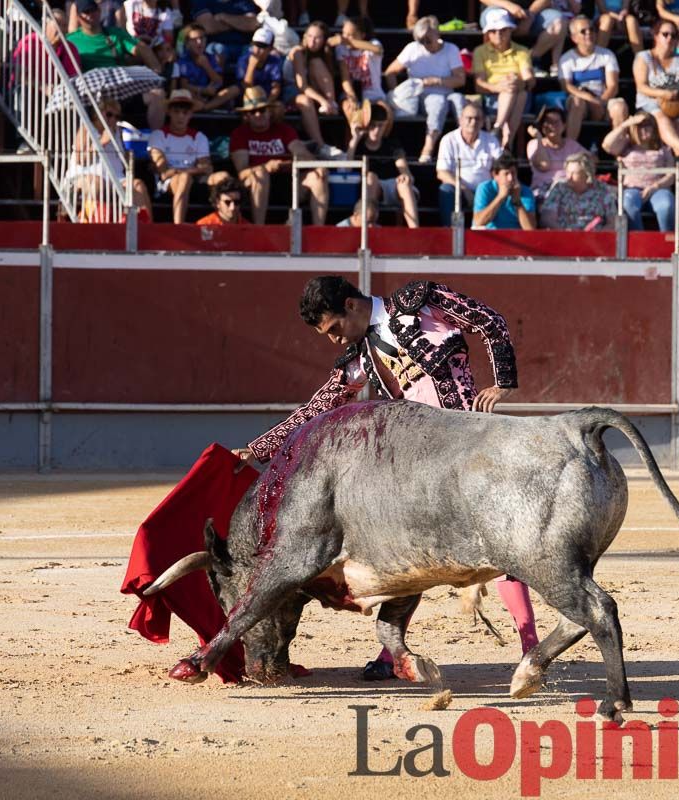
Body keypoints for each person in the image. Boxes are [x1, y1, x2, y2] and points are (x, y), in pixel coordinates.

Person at [234, 275, 535, 682]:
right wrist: (260, 449)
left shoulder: (419, 302)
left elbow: (489, 320)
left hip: (470, 445)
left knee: (501, 545)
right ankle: (391, 652)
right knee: (406, 550)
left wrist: (503, 382)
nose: (334, 341)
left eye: (334, 329)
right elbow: (319, 407)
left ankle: (532, 652)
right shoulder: (361, 357)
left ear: (352, 305)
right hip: (418, 464)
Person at [229, 87, 327, 225]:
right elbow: (242, 173)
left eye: (262, 110)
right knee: (260, 175)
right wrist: (266, 167)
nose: (258, 114)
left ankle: (319, 231)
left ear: (269, 112)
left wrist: (287, 164)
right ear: (246, 116)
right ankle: (259, 230)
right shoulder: (239, 134)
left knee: (319, 173)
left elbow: (306, 157)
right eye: (252, 112)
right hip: (255, 186)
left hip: (287, 183)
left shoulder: (284, 130)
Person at [67, 0, 167, 129]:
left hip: (121, 89)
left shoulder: (114, 34)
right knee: (104, 107)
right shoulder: (70, 40)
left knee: (157, 95)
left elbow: (141, 48)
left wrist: (155, 70)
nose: (91, 15)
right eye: (86, 12)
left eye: (93, 10)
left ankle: (156, 142)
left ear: (99, 11)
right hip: (92, 94)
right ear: (79, 16)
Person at [382, 16, 466, 163]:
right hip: (422, 96)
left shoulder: (451, 49)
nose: (425, 44)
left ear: (437, 34)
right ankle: (428, 147)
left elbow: (460, 80)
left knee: (460, 102)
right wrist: (398, 95)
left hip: (447, 93)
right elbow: (390, 72)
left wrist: (437, 81)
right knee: (438, 102)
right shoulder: (413, 49)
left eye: (428, 40)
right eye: (421, 41)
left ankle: (465, 147)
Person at [149, 90, 230, 223]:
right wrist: (188, 171)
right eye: (176, 111)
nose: (181, 116)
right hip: (167, 185)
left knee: (224, 177)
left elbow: (207, 168)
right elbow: (163, 172)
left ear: (191, 114)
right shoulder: (158, 135)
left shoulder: (199, 136)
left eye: (185, 112)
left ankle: (226, 223)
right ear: (169, 112)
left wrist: (177, 170)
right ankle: (179, 227)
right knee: (184, 178)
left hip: (195, 178)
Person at [69, 97, 154, 221]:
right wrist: (102, 142)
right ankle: (93, 221)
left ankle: (146, 226)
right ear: (97, 113)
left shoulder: (117, 132)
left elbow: (122, 162)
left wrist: (125, 155)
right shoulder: (87, 128)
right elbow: (80, 159)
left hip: (115, 178)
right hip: (86, 174)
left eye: (117, 116)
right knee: (97, 183)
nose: (113, 119)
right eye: (109, 115)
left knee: (138, 185)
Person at [347, 101, 420, 228]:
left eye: (380, 126)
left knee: (404, 185)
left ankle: (415, 231)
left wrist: (405, 177)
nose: (376, 130)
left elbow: (404, 169)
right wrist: (355, 139)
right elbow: (346, 169)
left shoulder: (392, 144)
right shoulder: (358, 146)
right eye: (373, 125)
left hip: (393, 186)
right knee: (371, 177)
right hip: (372, 188)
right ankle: (369, 227)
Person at [633, 21, 679, 160]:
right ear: (656, 36)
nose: (669, 38)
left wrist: (677, 91)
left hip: (676, 105)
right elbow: (642, 86)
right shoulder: (644, 57)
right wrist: (663, 93)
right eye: (665, 34)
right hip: (650, 103)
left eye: (673, 36)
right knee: (661, 118)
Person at [472, 8, 535, 149]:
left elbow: (529, 79)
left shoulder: (522, 51)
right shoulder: (480, 51)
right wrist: (499, 87)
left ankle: (498, 128)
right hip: (492, 97)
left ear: (510, 30)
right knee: (517, 92)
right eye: (494, 31)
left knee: (516, 88)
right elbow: (479, 84)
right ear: (488, 33)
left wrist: (518, 82)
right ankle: (507, 140)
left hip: (515, 92)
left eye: (503, 30)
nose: (498, 34)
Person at [602, 112, 676, 232]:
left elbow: (672, 175)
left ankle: (666, 243)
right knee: (628, 204)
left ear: (654, 128)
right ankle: (638, 242)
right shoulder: (625, 146)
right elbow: (607, 145)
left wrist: (654, 186)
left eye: (648, 125)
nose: (644, 129)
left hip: (658, 189)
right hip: (631, 189)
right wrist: (625, 124)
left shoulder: (664, 149)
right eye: (640, 126)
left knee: (666, 206)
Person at [436, 104, 504, 226]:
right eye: (469, 118)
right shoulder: (448, 140)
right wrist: (464, 189)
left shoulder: (491, 140)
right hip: (458, 189)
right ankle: (449, 233)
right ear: (460, 120)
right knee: (446, 189)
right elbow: (442, 172)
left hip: (485, 188)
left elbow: (502, 166)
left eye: (477, 119)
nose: (473, 122)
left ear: (483, 122)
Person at [558, 16, 622, 142]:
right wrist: (589, 99)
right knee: (577, 103)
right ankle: (570, 147)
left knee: (620, 106)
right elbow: (566, 86)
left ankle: (619, 153)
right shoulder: (566, 59)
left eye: (591, 30)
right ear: (574, 38)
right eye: (583, 31)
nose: (589, 33)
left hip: (603, 99)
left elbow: (613, 86)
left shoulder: (607, 55)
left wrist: (600, 102)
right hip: (581, 100)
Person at [287, 22, 344, 157]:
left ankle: (332, 102)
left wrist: (328, 100)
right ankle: (320, 145)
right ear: (305, 36)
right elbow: (302, 86)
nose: (312, 41)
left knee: (316, 63)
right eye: (310, 36)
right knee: (306, 101)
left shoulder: (320, 57)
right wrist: (322, 101)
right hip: (291, 91)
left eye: (317, 38)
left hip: (312, 91)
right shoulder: (298, 52)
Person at [481, 0, 579, 74]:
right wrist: (510, 6)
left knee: (559, 21)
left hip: (533, 13)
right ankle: (498, 63)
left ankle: (529, 60)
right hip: (501, 9)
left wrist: (530, 16)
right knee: (496, 17)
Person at [333, 16, 386, 138]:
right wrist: (352, 97)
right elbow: (344, 76)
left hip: (374, 94)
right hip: (353, 92)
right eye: (344, 33)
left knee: (385, 113)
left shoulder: (373, 44)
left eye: (350, 35)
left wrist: (346, 41)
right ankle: (356, 141)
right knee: (349, 106)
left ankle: (378, 143)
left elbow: (378, 49)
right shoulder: (341, 49)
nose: (345, 38)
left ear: (362, 35)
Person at [540, 152, 617, 230]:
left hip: (594, 238)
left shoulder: (602, 189)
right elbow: (547, 218)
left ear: (587, 174)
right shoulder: (560, 188)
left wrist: (599, 237)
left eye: (574, 173)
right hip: (564, 236)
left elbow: (613, 222)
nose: (569, 177)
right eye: (568, 172)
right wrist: (564, 233)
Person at [174, 25, 243, 111]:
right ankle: (203, 106)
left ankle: (205, 107)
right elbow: (184, 85)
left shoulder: (211, 58)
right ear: (188, 43)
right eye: (194, 40)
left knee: (234, 90)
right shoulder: (183, 60)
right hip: (193, 95)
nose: (199, 42)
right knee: (186, 93)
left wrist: (206, 65)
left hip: (210, 96)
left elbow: (219, 81)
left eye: (202, 38)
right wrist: (203, 90)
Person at [525, 105, 587, 202]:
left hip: (568, 189)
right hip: (543, 189)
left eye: (556, 122)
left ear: (564, 125)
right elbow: (543, 164)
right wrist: (539, 138)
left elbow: (590, 160)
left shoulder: (571, 145)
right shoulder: (534, 144)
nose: (551, 126)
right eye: (548, 122)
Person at [472, 154, 538, 230]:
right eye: (506, 174)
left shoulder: (525, 191)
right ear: (495, 175)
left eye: (513, 173)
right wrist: (500, 197)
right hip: (490, 236)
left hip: (515, 236)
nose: (510, 178)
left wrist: (517, 202)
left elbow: (530, 229)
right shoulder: (485, 188)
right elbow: (479, 222)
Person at [190, 0, 261, 66]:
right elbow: (208, 27)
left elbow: (252, 24)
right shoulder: (202, 1)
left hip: (244, 46)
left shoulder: (243, 1)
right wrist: (240, 22)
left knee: (257, 52)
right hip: (217, 45)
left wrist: (223, 17)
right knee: (218, 50)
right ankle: (217, 79)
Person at [237, 27, 284, 102]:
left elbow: (276, 88)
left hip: (267, 97)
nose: (258, 49)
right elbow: (246, 87)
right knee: (233, 90)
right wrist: (251, 66)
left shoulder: (275, 61)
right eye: (256, 44)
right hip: (247, 99)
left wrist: (266, 104)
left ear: (270, 48)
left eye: (262, 46)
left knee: (279, 108)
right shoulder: (243, 60)